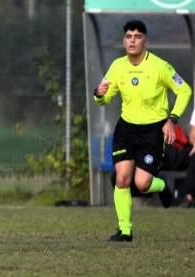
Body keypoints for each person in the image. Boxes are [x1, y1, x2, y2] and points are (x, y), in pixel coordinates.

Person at [94, 20, 192, 242]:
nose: (132, 40)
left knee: (142, 184)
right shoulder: (117, 66)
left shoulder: (159, 66)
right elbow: (104, 98)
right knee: (122, 179)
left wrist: (172, 120)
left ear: (145, 42)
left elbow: (184, 90)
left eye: (137, 37)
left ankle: (161, 184)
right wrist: (99, 94)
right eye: (129, 36)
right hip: (126, 130)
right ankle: (125, 231)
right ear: (123, 40)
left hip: (152, 132)